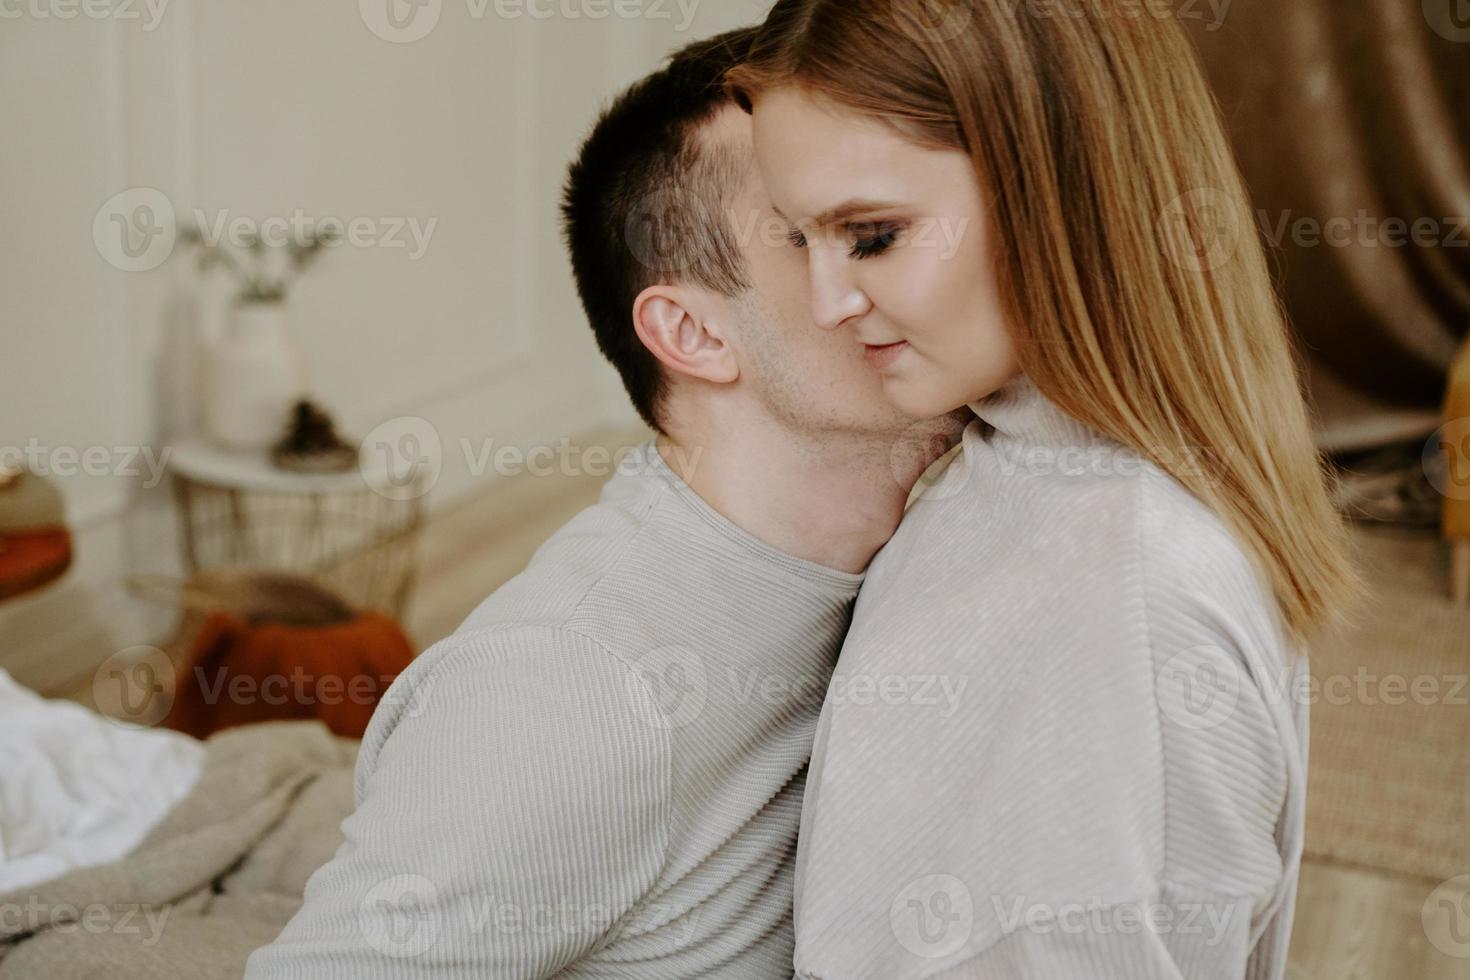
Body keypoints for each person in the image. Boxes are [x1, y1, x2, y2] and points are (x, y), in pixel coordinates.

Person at [244, 27, 964, 979]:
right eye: (826, 232)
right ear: (693, 333)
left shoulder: (945, 518)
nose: (923, 267)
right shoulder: (565, 698)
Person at [725, 2, 1361, 977]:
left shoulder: (1137, 588)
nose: (826, 302)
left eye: (875, 235)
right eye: (800, 238)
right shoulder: (1013, 462)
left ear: (1060, 192)